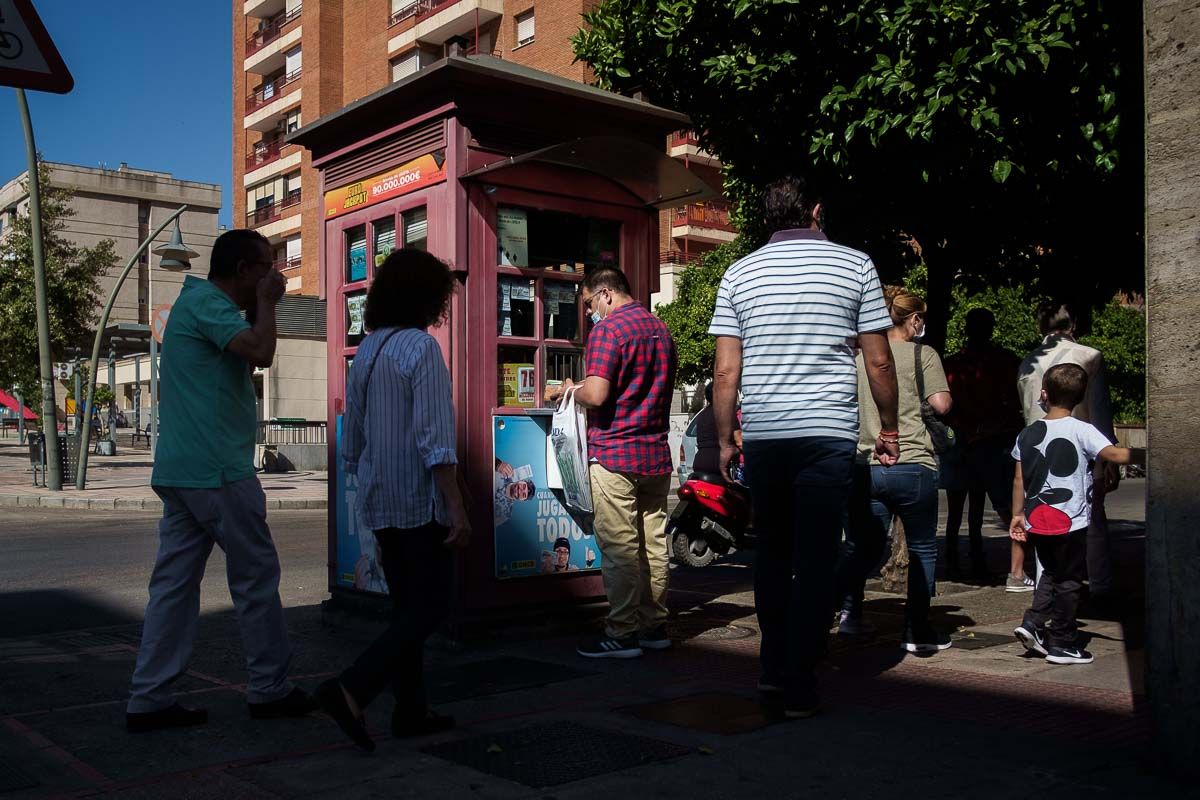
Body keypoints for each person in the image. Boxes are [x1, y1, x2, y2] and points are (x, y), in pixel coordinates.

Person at [709, 174, 899, 718]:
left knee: (771, 552)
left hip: (766, 436)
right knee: (817, 556)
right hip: (827, 436)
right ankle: (799, 674)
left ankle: (772, 670)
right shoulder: (856, 264)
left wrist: (726, 439)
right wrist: (889, 429)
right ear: (815, 210)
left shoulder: (738, 274)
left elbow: (726, 372)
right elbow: (879, 359)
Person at [125, 229, 313, 732]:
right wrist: (270, 305)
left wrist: (259, 304)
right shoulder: (207, 303)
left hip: (184, 469)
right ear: (242, 270)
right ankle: (269, 688)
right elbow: (261, 351)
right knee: (255, 578)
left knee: (173, 587)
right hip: (217, 469)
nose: (274, 276)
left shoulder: (199, 306)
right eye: (266, 267)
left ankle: (149, 696)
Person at [317, 249, 470, 752]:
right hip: (418, 502)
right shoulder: (420, 348)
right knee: (428, 609)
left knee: (407, 608)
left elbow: (354, 438)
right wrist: (456, 505)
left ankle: (410, 710)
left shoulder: (369, 349)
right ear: (426, 297)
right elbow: (435, 439)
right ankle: (353, 688)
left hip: (382, 501)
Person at [547, 267, 677, 659]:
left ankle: (621, 632)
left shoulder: (609, 330)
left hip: (616, 454)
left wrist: (571, 388)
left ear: (605, 294)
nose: (589, 313)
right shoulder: (660, 329)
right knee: (653, 545)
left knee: (619, 547)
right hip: (654, 454)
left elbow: (599, 393)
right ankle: (654, 625)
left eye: (588, 303)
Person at [836, 287, 954, 652]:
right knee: (922, 548)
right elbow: (941, 404)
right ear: (914, 320)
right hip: (913, 462)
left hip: (866, 464)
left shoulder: (858, 357)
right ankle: (916, 631)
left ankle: (848, 614)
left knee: (862, 546)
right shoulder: (924, 354)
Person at [1010, 364, 1139, 664]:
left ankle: (1033, 622)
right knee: (1069, 581)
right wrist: (1153, 451)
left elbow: (1019, 479)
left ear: (1044, 394)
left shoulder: (1027, 434)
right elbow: (1115, 456)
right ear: (1080, 398)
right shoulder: (1082, 430)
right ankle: (1063, 641)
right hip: (1071, 521)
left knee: (1050, 574)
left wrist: (1017, 515)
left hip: (1037, 519)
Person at [1017, 304, 1119, 602]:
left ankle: (1042, 588)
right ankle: (1100, 584)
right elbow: (1100, 411)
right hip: (1080, 449)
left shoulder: (1027, 363)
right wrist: (1108, 457)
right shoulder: (1089, 356)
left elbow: (1026, 411)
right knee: (1093, 519)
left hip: (1037, 449)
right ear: (1072, 324)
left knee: (1041, 518)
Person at [941, 308, 1028, 588]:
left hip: (968, 439)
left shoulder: (955, 364)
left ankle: (958, 558)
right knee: (973, 506)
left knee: (962, 506)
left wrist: (966, 428)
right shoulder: (1002, 362)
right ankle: (971, 558)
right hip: (984, 441)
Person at [691, 382, 741, 478]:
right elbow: (739, 442)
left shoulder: (701, 415)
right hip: (719, 463)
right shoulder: (727, 413)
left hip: (699, 461)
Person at [494, 459, 536, 526]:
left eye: (523, 494)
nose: (520, 490)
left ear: (522, 500)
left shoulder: (506, 513)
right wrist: (497, 464)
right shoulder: (504, 472)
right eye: (524, 486)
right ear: (521, 480)